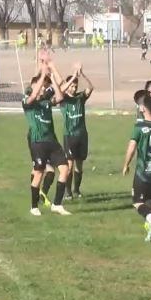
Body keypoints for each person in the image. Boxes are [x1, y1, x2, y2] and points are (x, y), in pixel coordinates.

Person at [22, 61, 71, 216]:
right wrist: (43, 74)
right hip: (38, 142)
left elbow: (60, 96)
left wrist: (51, 76)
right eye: (40, 85)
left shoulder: (46, 102)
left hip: (52, 142)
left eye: (43, 86)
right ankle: (34, 207)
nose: (42, 87)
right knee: (39, 173)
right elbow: (33, 96)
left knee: (65, 169)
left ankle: (57, 204)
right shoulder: (27, 102)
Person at [122, 94, 151, 242]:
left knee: (137, 201)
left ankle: (150, 218)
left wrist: (126, 164)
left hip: (144, 172)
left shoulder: (139, 127)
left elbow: (131, 148)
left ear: (144, 108)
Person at [56, 65, 94, 200]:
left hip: (82, 135)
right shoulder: (64, 100)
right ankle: (68, 192)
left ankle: (76, 190)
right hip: (69, 136)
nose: (73, 88)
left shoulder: (80, 98)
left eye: (75, 86)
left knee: (79, 165)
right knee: (69, 165)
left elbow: (91, 88)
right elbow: (60, 90)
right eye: (71, 86)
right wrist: (72, 76)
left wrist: (82, 75)